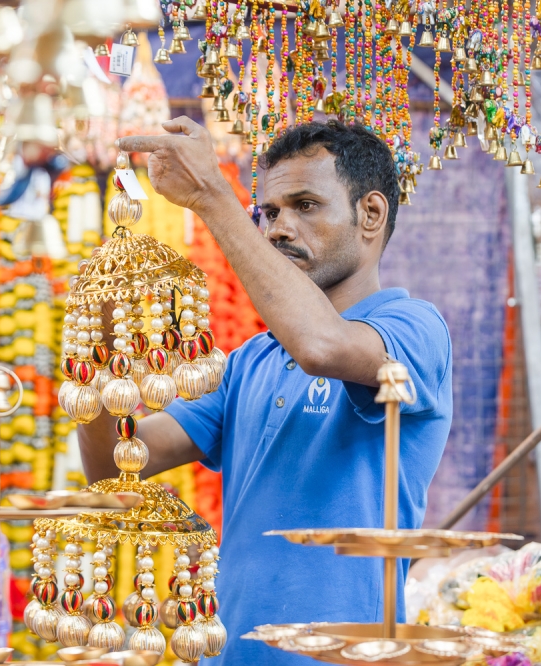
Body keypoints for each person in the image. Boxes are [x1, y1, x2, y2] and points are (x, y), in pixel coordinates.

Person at [80, 117, 453, 665]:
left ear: (370, 214)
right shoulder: (250, 361)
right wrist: (103, 359)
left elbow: (321, 346)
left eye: (305, 205)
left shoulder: (415, 329)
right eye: (269, 212)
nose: (278, 228)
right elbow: (115, 466)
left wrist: (213, 197)